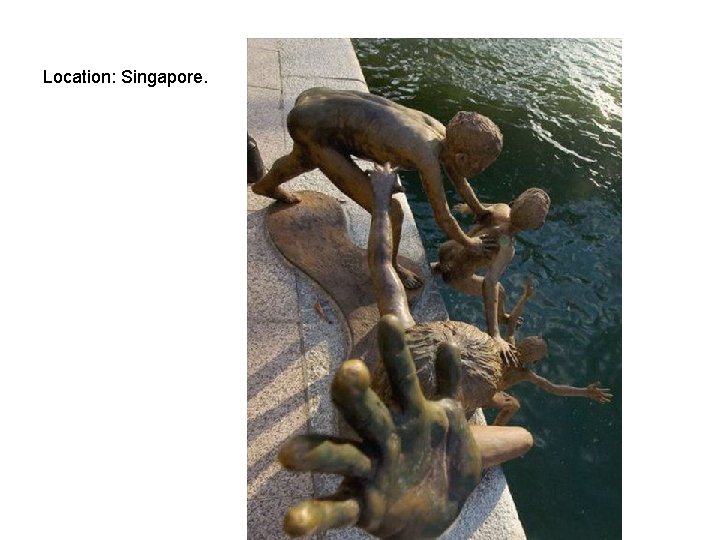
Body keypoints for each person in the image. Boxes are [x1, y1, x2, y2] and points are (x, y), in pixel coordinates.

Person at [277, 165, 535, 539]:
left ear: (425, 333)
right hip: (427, 436)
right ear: (463, 405)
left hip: (386, 394)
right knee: (522, 438)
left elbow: (382, 261)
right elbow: (522, 438)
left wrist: (382, 198)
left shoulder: (400, 331)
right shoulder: (451, 442)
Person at [251, 87, 503, 290]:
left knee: (303, 159)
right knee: (392, 212)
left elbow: (458, 177)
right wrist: (469, 243)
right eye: (480, 166)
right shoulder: (426, 156)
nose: (481, 171)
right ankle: (391, 267)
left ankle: (265, 186)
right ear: (462, 157)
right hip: (315, 126)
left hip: (316, 101)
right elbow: (443, 217)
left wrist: (480, 210)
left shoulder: (443, 134)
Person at [430, 188, 551, 364]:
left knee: (459, 255)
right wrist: (494, 334)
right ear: (538, 226)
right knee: (499, 291)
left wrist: (466, 208)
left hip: (445, 252)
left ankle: (436, 268)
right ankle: (502, 318)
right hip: (455, 277)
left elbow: (480, 208)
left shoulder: (500, 209)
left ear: (513, 202)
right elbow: (490, 281)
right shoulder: (507, 248)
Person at [482, 279, 613, 425]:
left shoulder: (508, 345)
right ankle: (493, 429)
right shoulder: (524, 374)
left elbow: (512, 321)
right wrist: (584, 392)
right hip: (484, 396)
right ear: (535, 361)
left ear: (522, 342)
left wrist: (525, 297)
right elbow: (553, 388)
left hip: (479, 380)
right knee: (514, 405)